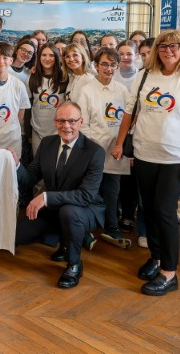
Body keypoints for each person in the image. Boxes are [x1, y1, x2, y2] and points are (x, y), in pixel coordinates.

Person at [111, 29, 180, 296]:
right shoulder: (145, 75)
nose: (168, 50)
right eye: (163, 46)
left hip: (176, 158)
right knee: (150, 210)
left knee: (165, 211)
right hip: (145, 154)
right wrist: (120, 143)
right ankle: (155, 257)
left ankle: (169, 272)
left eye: (174, 46)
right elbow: (129, 112)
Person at [16, 102, 106, 288]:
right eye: (61, 121)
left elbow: (85, 196)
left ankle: (74, 264)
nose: (66, 126)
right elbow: (30, 178)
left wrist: (46, 197)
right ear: (55, 122)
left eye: (72, 121)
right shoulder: (47, 143)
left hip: (84, 209)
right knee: (17, 236)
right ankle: (63, 241)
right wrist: (16, 164)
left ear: (81, 122)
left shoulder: (94, 152)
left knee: (69, 212)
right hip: (55, 208)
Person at [74, 47, 132, 250]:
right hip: (93, 150)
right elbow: (83, 123)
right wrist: (95, 149)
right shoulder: (87, 90)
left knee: (112, 192)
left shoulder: (122, 90)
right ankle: (85, 229)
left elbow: (128, 119)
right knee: (90, 192)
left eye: (113, 65)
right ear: (96, 66)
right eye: (104, 64)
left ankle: (111, 226)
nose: (109, 69)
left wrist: (120, 144)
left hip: (116, 150)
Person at [27, 44, 68, 153]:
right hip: (37, 130)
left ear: (56, 57)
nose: (47, 58)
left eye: (51, 55)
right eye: (44, 55)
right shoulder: (31, 77)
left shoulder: (65, 77)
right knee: (38, 161)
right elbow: (28, 108)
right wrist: (28, 133)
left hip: (59, 131)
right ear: (39, 57)